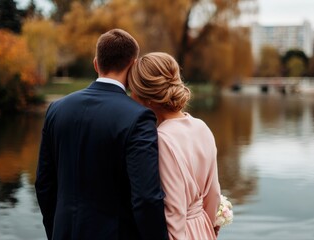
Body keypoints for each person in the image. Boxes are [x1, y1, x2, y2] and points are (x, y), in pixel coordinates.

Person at [35, 29, 169, 240]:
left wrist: (56, 232)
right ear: (134, 66)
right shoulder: (139, 116)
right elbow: (145, 198)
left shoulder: (57, 109)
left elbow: (44, 185)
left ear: (96, 63)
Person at [128, 52, 221, 240]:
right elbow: (214, 194)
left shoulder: (162, 139)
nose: (131, 97)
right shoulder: (201, 127)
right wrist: (207, 228)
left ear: (148, 99)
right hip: (203, 228)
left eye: (133, 91)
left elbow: (174, 211)